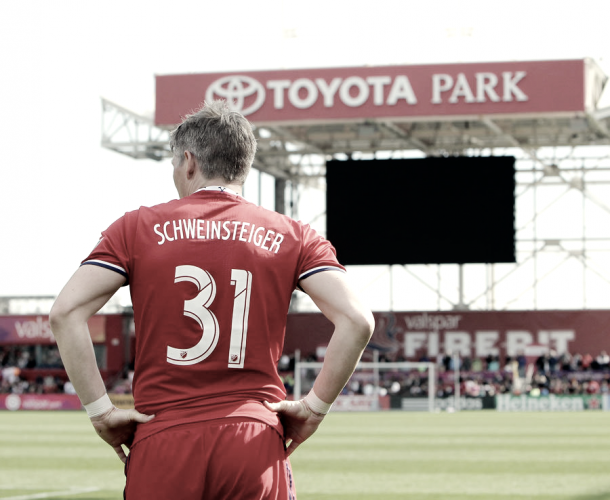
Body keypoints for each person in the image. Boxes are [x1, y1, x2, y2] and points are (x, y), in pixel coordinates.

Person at [49, 100, 375, 500]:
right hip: (253, 440)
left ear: (188, 162)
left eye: (173, 164)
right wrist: (315, 408)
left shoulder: (136, 228)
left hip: (162, 438)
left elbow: (65, 313)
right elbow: (358, 320)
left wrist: (100, 412)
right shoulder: (293, 235)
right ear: (244, 165)